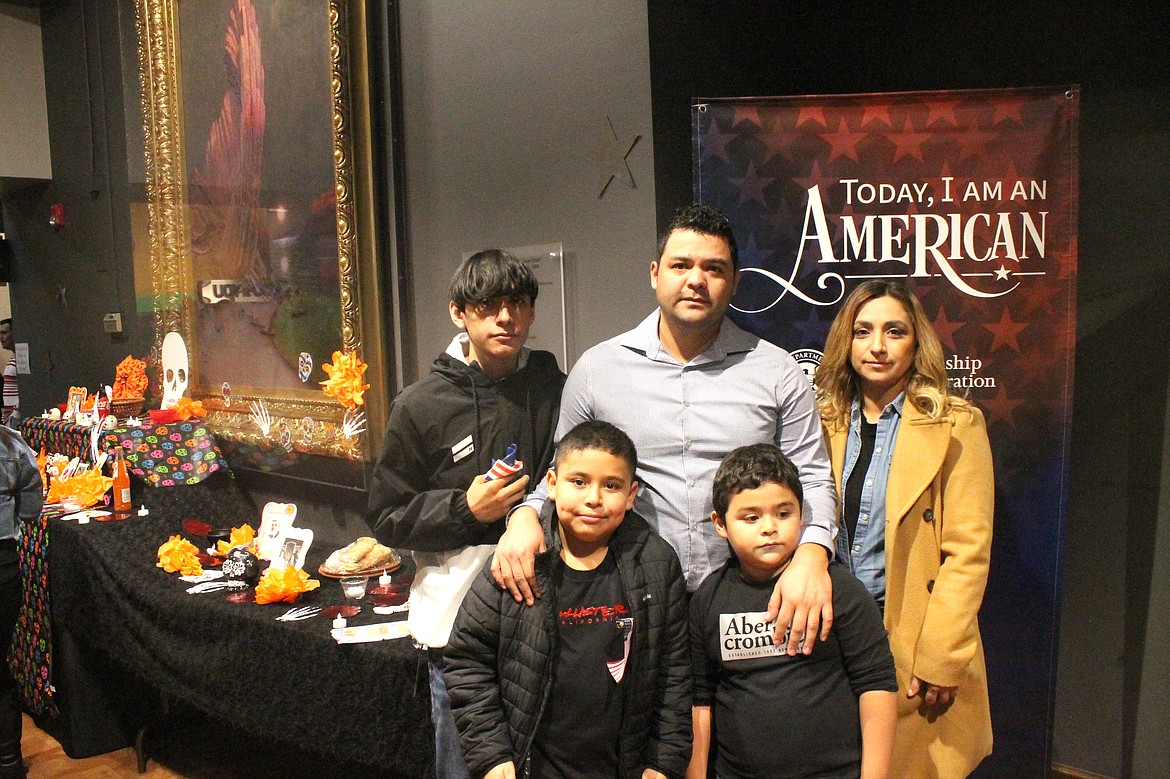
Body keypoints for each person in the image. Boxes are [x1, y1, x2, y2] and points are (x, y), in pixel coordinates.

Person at [494, 204, 838, 653]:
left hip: (754, 598)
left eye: (714, 268)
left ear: (734, 282)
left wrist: (813, 556)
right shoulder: (598, 369)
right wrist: (522, 516)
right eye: (681, 265)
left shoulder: (777, 371)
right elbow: (565, 478)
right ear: (655, 274)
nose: (696, 279)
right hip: (636, 600)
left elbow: (811, 476)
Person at [366, 250, 565, 779]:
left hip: (542, 614)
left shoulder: (554, 388)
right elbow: (386, 515)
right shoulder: (420, 403)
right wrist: (464, 509)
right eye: (489, 305)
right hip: (455, 628)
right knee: (467, 767)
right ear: (460, 313)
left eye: (518, 304)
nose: (506, 318)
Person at [815, 280, 994, 777]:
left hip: (911, 637)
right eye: (863, 331)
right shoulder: (818, 421)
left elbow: (968, 552)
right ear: (845, 342)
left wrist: (941, 655)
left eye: (894, 332)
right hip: (832, 633)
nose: (877, 346)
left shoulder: (957, 424)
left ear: (917, 344)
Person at [445, 420, 691, 779]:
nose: (594, 497)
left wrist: (663, 761)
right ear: (552, 484)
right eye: (579, 481)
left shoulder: (656, 562)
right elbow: (468, 659)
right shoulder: (519, 558)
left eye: (611, 485)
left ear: (632, 494)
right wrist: (492, 754)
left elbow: (674, 675)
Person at [688, 444, 896, 779]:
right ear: (720, 523)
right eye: (751, 517)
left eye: (784, 514)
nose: (769, 527)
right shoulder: (708, 601)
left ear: (802, 515)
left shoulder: (837, 588)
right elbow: (701, 700)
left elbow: (877, 685)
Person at [0, 424, 42, 777]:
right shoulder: (12, 444)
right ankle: (10, 764)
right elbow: (31, 509)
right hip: (3, 567)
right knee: (0, 667)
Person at [0, 321, 16, 426]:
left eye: (4, 333)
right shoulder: (13, 358)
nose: (1, 337)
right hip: (8, 419)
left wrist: (15, 415)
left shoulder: (20, 359)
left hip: (15, 418)